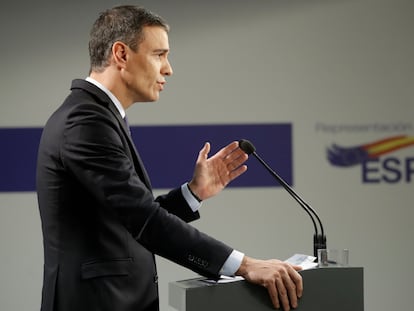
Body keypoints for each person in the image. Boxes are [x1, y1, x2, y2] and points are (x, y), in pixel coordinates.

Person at [36, 5, 303, 311]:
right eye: (159, 54)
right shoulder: (85, 122)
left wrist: (193, 193)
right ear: (121, 54)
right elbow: (144, 220)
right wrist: (244, 265)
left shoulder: (98, 116)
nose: (168, 68)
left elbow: (127, 222)